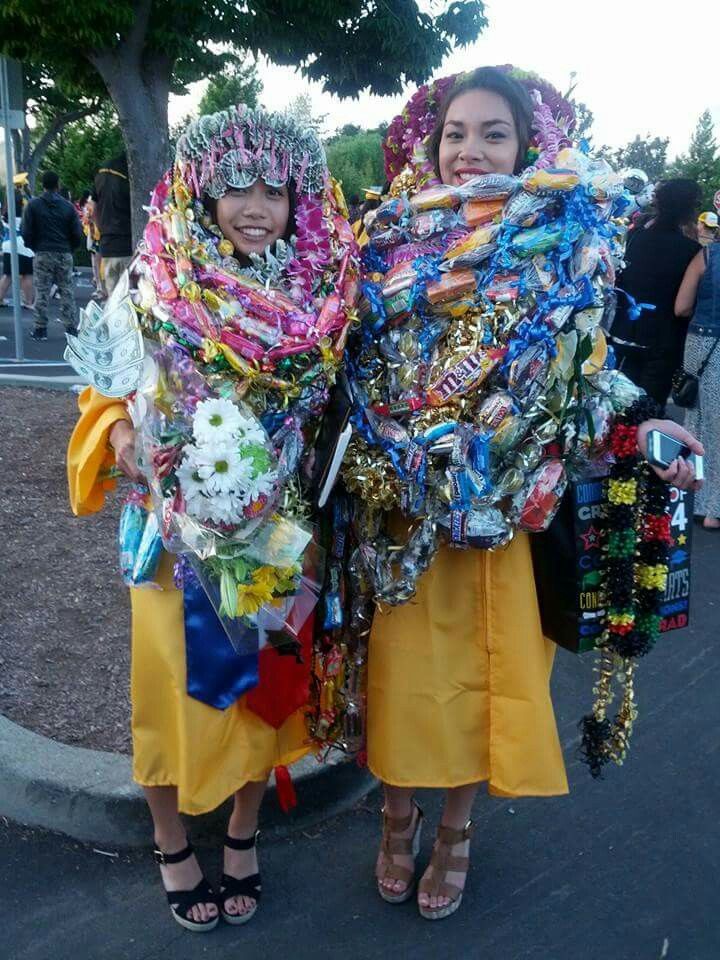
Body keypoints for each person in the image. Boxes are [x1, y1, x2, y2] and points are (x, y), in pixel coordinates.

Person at [344, 66, 703, 922]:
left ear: (526, 145)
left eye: (493, 134)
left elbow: (589, 382)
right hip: (400, 517)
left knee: (487, 681)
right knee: (395, 681)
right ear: (432, 147)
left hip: (510, 526)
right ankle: (396, 817)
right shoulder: (385, 244)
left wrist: (644, 435)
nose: (470, 150)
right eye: (455, 134)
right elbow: (343, 372)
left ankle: (456, 830)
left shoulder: (568, 249)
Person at [67, 106, 356, 932]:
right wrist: (125, 441)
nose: (254, 203)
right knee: (164, 692)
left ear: (298, 200)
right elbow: (103, 397)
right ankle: (169, 839)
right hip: (171, 538)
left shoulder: (319, 293)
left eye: (273, 187)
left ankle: (240, 831)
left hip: (279, 533)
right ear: (201, 189)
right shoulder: (151, 280)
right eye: (235, 185)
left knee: (266, 690)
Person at [610, 179, 701, 407]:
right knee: (647, 411)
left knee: (614, 404)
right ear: (688, 209)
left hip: (623, 332)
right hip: (662, 344)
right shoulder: (692, 251)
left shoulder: (636, 237)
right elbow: (684, 306)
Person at [675, 242, 720, 529]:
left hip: (698, 344)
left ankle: (690, 497)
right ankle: (715, 509)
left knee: (695, 418)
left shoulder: (706, 255)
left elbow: (681, 307)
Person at [21, 170, 83, 341]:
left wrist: (34, 246)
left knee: (42, 290)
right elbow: (77, 233)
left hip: (43, 251)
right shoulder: (67, 207)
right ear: (58, 185)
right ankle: (70, 326)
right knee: (66, 290)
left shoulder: (33, 206)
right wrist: (70, 248)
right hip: (64, 251)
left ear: (43, 185)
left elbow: (26, 231)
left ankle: (40, 328)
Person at [92, 154, 132, 296]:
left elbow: (94, 210)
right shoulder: (129, 179)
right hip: (128, 245)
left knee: (113, 296)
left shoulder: (100, 178)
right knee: (131, 297)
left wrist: (102, 231)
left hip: (108, 245)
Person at [0, 189, 34, 308]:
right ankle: (28, 302)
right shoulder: (25, 213)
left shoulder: (5, 215)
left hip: (8, 244)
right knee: (27, 274)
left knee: (8, 275)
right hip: (23, 245)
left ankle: (0, 298)